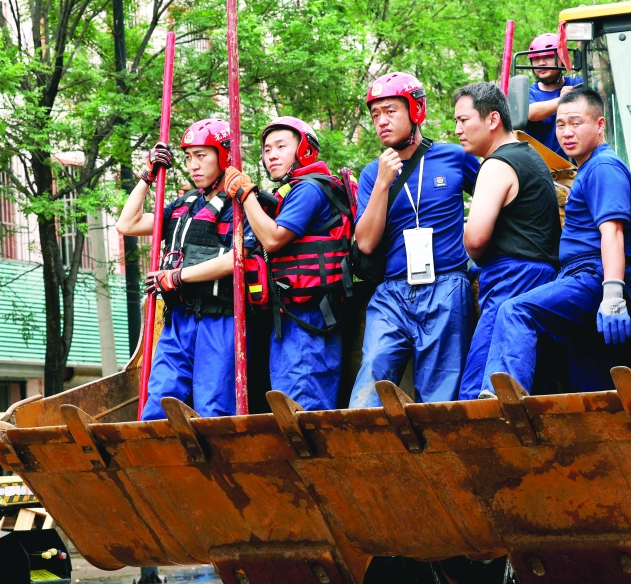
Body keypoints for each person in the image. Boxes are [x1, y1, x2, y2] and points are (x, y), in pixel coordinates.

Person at [478, 88, 631, 397]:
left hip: (594, 276)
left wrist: (613, 293)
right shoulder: (588, 168)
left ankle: (504, 398)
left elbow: (613, 233)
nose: (566, 132)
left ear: (600, 124)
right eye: (560, 124)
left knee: (514, 311)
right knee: (592, 386)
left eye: (576, 123)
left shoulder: (604, 168)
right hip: (582, 276)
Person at [348, 72, 480, 407]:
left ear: (416, 110)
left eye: (390, 111)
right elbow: (364, 243)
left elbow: (495, 197)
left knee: (439, 395)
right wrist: (382, 183)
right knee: (370, 380)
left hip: (446, 285)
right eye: (375, 114)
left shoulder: (455, 156)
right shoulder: (371, 173)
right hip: (392, 291)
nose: (381, 121)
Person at [117, 118, 254, 420]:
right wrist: (147, 176)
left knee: (213, 409)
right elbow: (126, 224)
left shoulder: (242, 202)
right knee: (158, 404)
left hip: (220, 320)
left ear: (224, 155)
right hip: (178, 319)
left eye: (201, 155)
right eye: (188, 157)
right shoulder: (184, 205)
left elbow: (238, 256)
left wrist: (177, 276)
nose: (193, 165)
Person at [222, 117, 346, 411]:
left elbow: (274, 240)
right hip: (292, 313)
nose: (272, 155)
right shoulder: (287, 192)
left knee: (301, 403)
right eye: (267, 150)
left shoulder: (309, 189)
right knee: (287, 398)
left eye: (281, 146)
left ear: (303, 150)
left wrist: (245, 195)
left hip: (310, 315)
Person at [453, 82, 561, 400]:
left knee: (481, 394)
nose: (457, 129)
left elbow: (475, 237)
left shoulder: (498, 163)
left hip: (512, 279)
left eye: (464, 119)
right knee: (530, 393)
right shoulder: (531, 158)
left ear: (492, 120)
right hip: (541, 277)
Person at [525, 33, 583, 160]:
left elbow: (604, 82)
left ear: (563, 59)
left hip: (577, 167)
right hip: (542, 170)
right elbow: (531, 112)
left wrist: (587, 47)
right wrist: (562, 100)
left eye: (548, 57)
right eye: (536, 59)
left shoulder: (576, 84)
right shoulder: (529, 92)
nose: (541, 63)